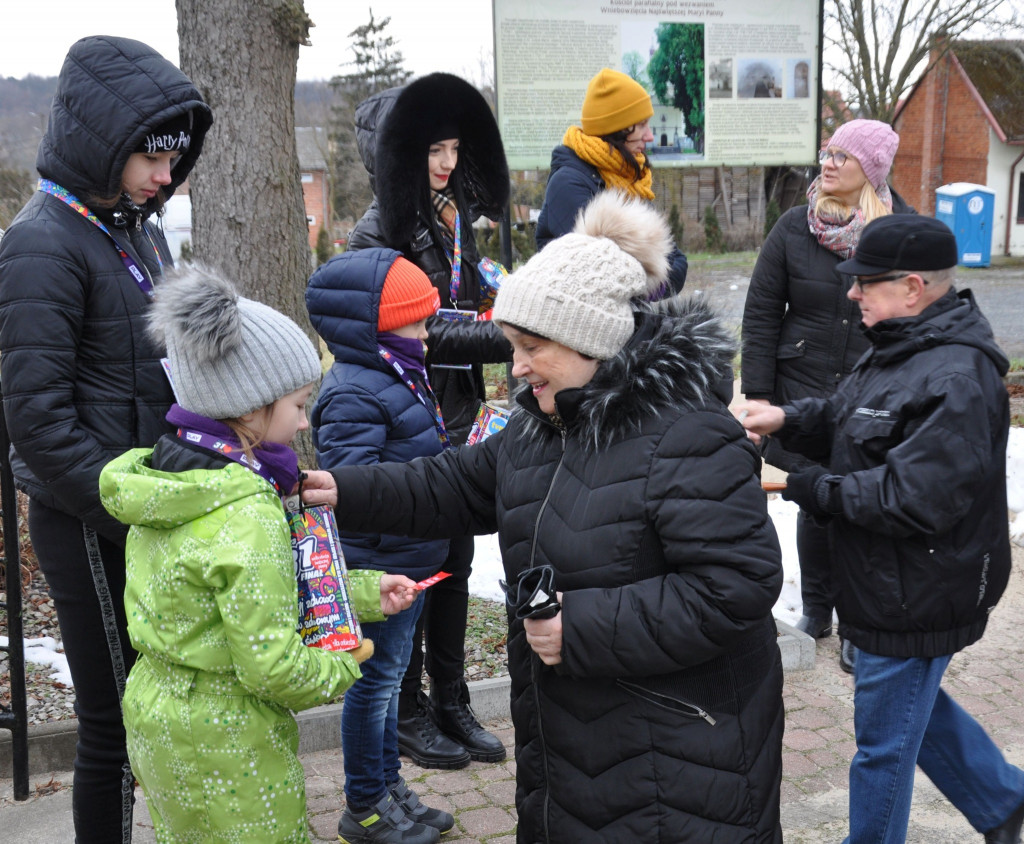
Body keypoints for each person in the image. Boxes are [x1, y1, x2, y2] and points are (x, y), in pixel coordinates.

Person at [303, 190, 786, 843]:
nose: (517, 366)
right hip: (572, 754)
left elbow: (736, 587)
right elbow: (453, 482)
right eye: (512, 345)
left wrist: (580, 627)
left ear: (593, 339)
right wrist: (344, 489)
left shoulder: (688, 431)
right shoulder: (541, 422)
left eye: (532, 346)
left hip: (674, 769)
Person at [98, 265, 419, 843]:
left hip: (158, 718)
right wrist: (348, 660)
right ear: (247, 407)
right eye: (297, 405)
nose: (304, 422)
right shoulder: (246, 511)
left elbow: (232, 601)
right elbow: (272, 667)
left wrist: (364, 592)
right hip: (232, 737)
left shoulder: (170, 483)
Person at [735, 215, 1024, 844]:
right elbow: (847, 416)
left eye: (864, 282)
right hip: (881, 578)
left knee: (882, 747)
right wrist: (783, 417)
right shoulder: (899, 344)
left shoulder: (957, 378)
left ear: (913, 286)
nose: (851, 294)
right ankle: (1001, 800)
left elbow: (911, 497)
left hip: (920, 588)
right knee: (908, 706)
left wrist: (798, 485)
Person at [0, 35, 212, 842]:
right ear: (102, 144)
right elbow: (39, 420)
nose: (167, 176)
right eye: (151, 157)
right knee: (112, 725)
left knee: (143, 714)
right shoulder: (41, 242)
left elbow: (153, 367)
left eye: (173, 157)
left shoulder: (131, 228)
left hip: (142, 506)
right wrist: (134, 506)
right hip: (91, 518)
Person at [346, 71, 511, 768]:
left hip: (457, 415)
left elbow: (466, 304)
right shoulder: (374, 233)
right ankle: (408, 712)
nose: (445, 163)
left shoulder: (452, 222)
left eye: (451, 148)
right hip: (409, 421)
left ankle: (452, 700)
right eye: (430, 151)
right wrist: (507, 334)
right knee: (412, 571)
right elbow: (417, 333)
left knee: (456, 562)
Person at [741, 118, 909, 673]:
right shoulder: (793, 226)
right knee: (814, 501)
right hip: (801, 390)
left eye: (843, 156)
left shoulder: (900, 231)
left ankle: (859, 623)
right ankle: (817, 611)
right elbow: (762, 315)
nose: (828, 161)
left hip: (871, 393)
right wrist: (760, 396)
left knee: (862, 507)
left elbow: (916, 316)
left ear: (872, 170)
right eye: (828, 151)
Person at [306, 248, 457, 844]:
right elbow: (355, 488)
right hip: (382, 566)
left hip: (412, 559)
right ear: (378, 327)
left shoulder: (397, 375)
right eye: (416, 322)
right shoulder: (353, 393)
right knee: (374, 686)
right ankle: (365, 803)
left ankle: (390, 786)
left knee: (392, 683)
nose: (426, 333)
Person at [534, 67, 687, 295]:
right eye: (642, 124)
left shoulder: (630, 176)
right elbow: (601, 277)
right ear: (616, 128)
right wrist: (653, 279)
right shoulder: (568, 185)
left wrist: (651, 283)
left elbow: (677, 263)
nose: (650, 136)